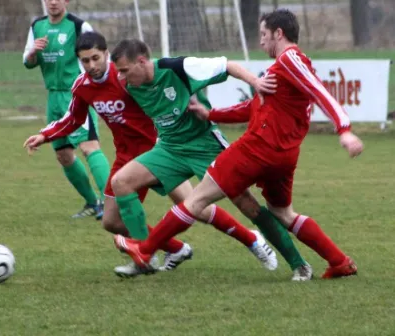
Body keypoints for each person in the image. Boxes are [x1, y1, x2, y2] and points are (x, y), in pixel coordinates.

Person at [117, 9, 362, 280]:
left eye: (263, 35)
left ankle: (146, 250)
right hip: (284, 156)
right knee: (283, 212)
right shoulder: (282, 71)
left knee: (197, 199)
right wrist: (212, 114)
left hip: (256, 149)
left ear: (278, 34)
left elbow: (319, 90)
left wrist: (345, 130)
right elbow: (254, 107)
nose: (261, 41)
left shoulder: (291, 59)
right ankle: (338, 261)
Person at [24, 31, 285, 277]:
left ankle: (252, 239)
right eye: (84, 61)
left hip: (159, 149)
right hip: (127, 156)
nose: (91, 65)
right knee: (112, 221)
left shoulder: (127, 76)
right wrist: (45, 135)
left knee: (197, 207)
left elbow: (164, 93)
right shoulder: (83, 86)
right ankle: (174, 249)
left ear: (105, 54)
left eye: (95, 58)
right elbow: (73, 118)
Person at [108, 38, 315, 281]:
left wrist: (255, 82)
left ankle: (297, 263)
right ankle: (144, 256)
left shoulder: (177, 67)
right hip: (169, 148)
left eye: (124, 71)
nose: (121, 78)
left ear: (141, 62)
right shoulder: (130, 86)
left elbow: (226, 65)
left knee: (246, 203)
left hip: (205, 145)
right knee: (121, 182)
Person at [23, 0, 110, 219]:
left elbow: (99, 56)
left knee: (89, 147)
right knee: (63, 154)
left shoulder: (78, 25)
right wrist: (33, 53)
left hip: (77, 93)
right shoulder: (37, 26)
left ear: (66, 1)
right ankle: (93, 203)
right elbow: (28, 62)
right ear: (44, 0)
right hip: (53, 97)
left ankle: (112, 203)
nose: (53, 2)